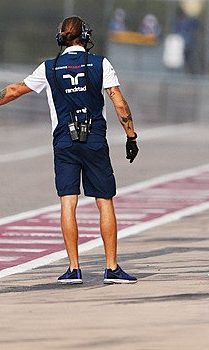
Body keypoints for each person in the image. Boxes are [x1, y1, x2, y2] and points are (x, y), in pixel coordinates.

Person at [0, 16, 139, 284]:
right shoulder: (100, 63)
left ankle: (74, 268)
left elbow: (15, 90)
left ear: (60, 38)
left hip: (64, 140)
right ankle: (111, 267)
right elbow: (119, 103)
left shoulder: (49, 68)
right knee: (104, 201)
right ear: (84, 37)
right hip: (95, 140)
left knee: (68, 201)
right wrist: (131, 136)